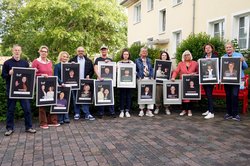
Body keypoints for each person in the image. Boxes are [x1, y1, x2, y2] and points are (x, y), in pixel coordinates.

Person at [1, 45, 36, 136]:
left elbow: (28, 76)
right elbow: (3, 76)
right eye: (15, 50)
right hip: (12, 91)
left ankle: (29, 127)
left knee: (27, 109)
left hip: (23, 91)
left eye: (18, 50)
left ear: (21, 51)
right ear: (12, 51)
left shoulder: (25, 63)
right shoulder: (7, 63)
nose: (17, 52)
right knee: (10, 110)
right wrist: (9, 73)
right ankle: (9, 128)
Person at [32, 45, 60, 129]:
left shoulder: (50, 62)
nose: (44, 53)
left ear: (47, 53)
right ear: (39, 52)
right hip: (41, 84)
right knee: (42, 104)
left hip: (50, 84)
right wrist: (41, 75)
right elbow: (32, 73)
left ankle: (52, 121)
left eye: (45, 51)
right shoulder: (35, 61)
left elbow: (51, 73)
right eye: (42, 51)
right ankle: (43, 123)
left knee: (52, 102)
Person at [223, 42, 248, 121]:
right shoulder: (223, 57)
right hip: (227, 80)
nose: (228, 49)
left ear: (233, 48)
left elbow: (245, 67)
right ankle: (229, 113)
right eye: (227, 47)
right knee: (228, 96)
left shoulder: (239, 55)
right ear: (225, 49)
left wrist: (243, 61)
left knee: (234, 95)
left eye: (230, 47)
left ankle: (235, 114)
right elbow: (222, 69)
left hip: (236, 80)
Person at [69, 46, 95, 121]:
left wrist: (89, 75)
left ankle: (87, 113)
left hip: (84, 82)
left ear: (84, 52)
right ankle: (77, 113)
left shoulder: (89, 61)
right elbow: (67, 71)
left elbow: (91, 70)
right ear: (77, 52)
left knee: (85, 97)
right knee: (75, 98)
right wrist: (71, 65)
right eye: (79, 51)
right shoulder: (72, 60)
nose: (81, 52)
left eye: (82, 51)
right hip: (74, 82)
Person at [171, 50, 198, 116]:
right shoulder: (180, 63)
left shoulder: (195, 63)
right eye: (185, 55)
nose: (186, 56)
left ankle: (189, 110)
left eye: (188, 54)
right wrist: (173, 77)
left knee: (190, 96)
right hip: (183, 82)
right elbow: (176, 71)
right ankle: (183, 110)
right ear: (183, 56)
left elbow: (198, 71)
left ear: (190, 55)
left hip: (192, 82)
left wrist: (194, 73)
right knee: (183, 97)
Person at [94, 45, 116, 118]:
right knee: (100, 95)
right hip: (100, 80)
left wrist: (110, 62)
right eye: (102, 50)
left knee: (110, 95)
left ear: (107, 51)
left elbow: (114, 69)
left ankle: (111, 112)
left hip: (109, 81)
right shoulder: (98, 59)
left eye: (105, 50)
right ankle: (100, 112)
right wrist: (99, 77)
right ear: (101, 51)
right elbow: (95, 68)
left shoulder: (110, 59)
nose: (104, 51)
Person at [135, 47, 154, 117]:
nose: (144, 53)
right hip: (141, 79)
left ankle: (149, 110)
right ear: (140, 52)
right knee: (141, 94)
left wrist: (151, 76)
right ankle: (141, 110)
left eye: (145, 52)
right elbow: (135, 70)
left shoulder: (149, 60)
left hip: (149, 78)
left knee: (150, 94)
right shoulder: (137, 60)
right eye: (143, 51)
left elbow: (151, 69)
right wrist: (138, 76)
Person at [201, 44, 218, 119]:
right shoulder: (203, 57)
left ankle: (211, 112)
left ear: (212, 49)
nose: (207, 49)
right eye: (206, 48)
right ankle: (209, 110)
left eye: (209, 48)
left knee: (209, 95)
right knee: (208, 95)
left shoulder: (215, 57)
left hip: (211, 79)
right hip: (204, 79)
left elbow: (217, 68)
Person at [54, 51, 70, 124]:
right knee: (60, 102)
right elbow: (56, 75)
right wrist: (61, 83)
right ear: (60, 57)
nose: (65, 58)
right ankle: (60, 118)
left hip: (68, 86)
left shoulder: (69, 65)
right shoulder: (57, 66)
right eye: (63, 56)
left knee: (66, 102)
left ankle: (66, 117)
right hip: (60, 86)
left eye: (66, 57)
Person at [117, 49, 134, 118]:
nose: (126, 55)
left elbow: (133, 72)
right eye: (124, 54)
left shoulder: (131, 63)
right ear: (122, 55)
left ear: (129, 55)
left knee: (128, 97)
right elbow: (117, 72)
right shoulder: (119, 63)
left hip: (130, 83)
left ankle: (127, 111)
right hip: (121, 83)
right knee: (122, 96)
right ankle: (121, 111)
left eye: (127, 54)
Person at [154, 51, 172, 115]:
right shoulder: (158, 63)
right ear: (161, 56)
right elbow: (155, 73)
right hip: (158, 83)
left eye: (165, 55)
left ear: (167, 57)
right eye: (163, 55)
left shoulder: (169, 64)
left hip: (166, 83)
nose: (164, 56)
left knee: (166, 95)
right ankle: (157, 107)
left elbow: (171, 73)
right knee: (158, 96)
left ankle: (167, 108)